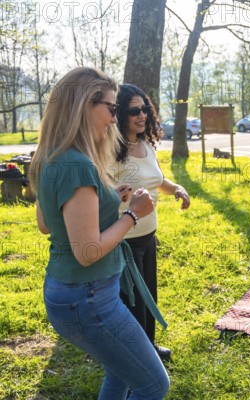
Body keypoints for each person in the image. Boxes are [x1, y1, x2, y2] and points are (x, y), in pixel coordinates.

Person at [30, 67, 169, 399]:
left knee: (121, 373)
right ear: (83, 106)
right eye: (110, 107)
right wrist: (133, 215)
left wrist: (106, 198)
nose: (113, 117)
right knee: (154, 384)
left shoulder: (53, 156)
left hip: (74, 293)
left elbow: (47, 223)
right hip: (89, 297)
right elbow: (88, 251)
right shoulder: (78, 165)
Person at [113, 83, 190, 361]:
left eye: (144, 108)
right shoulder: (110, 148)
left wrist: (177, 188)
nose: (142, 115)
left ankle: (150, 347)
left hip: (148, 236)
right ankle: (135, 356)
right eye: (134, 110)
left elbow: (158, 180)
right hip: (123, 240)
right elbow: (101, 191)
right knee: (132, 303)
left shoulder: (145, 144)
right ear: (120, 114)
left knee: (149, 296)